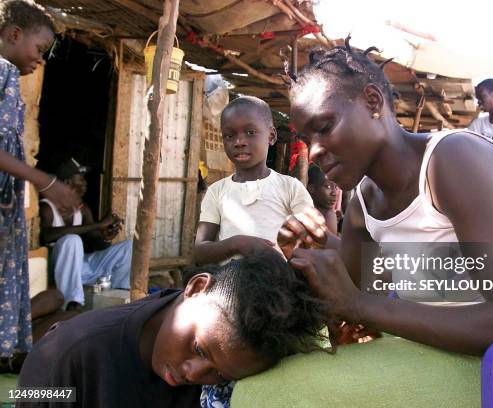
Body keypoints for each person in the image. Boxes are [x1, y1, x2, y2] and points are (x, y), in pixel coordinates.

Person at [230, 39, 493, 407]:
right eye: (307, 139)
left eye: (324, 126)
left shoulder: (453, 161)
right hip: (450, 350)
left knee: (264, 394)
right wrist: (316, 246)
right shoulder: (363, 204)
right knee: (278, 371)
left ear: (373, 103)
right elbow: (353, 293)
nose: (316, 150)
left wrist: (357, 305)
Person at [17, 252, 328, 408]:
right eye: (198, 349)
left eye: (220, 375)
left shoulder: (233, 367)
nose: (194, 374)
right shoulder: (63, 355)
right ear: (196, 287)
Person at [0, 0, 81, 368]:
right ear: (14, 35)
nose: (41, 59)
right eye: (39, 49)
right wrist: (46, 183)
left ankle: (9, 350)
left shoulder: (10, 81)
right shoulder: (1, 71)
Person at [193, 96, 313, 265]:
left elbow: (311, 243)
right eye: (229, 135)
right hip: (229, 285)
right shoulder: (216, 191)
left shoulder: (291, 188)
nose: (239, 142)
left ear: (271, 136)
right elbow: (200, 251)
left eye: (250, 133)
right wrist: (238, 244)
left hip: (278, 284)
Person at [40, 157, 132, 310]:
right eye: (81, 179)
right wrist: (97, 225)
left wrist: (106, 237)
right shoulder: (47, 207)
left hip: (82, 268)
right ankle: (72, 302)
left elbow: (97, 243)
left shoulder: (83, 210)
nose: (85, 183)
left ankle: (120, 293)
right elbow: (46, 235)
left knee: (129, 246)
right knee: (72, 240)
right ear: (68, 182)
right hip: (59, 271)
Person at [307, 164, 338, 235]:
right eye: (328, 187)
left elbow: (329, 244)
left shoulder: (329, 215)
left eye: (336, 187)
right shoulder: (304, 209)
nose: (334, 193)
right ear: (312, 188)